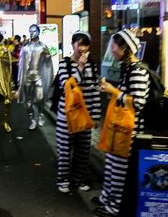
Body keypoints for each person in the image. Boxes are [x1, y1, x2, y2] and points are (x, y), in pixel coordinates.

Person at [93, 29, 149, 217]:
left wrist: (114, 91)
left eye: (114, 47)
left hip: (129, 133)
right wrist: (112, 91)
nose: (112, 51)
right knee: (110, 168)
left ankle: (113, 208)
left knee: (118, 172)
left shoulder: (138, 71)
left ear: (124, 48)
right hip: (119, 129)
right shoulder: (129, 69)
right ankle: (106, 200)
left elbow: (139, 103)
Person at [55, 31, 101, 194]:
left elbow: (95, 90)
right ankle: (63, 180)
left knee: (82, 151)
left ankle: (78, 179)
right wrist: (80, 68)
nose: (82, 48)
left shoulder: (92, 65)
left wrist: (95, 116)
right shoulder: (64, 64)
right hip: (66, 117)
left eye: (85, 44)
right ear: (72, 44)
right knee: (65, 152)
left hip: (85, 117)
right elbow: (68, 87)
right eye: (79, 44)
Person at [18, 24, 53, 130]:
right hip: (27, 77)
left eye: (33, 31)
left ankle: (41, 114)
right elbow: (21, 64)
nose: (31, 33)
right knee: (28, 102)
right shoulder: (25, 47)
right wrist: (20, 79)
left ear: (38, 32)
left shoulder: (43, 46)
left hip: (39, 76)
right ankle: (32, 119)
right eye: (30, 31)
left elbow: (48, 62)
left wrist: (49, 56)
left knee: (40, 99)